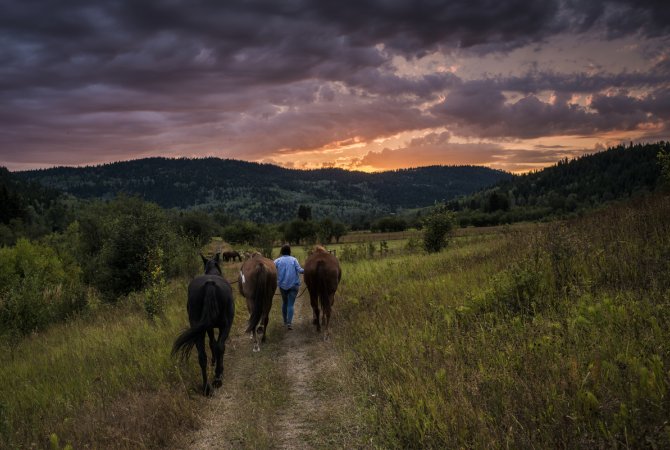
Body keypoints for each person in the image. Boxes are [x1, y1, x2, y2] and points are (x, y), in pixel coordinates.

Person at [274, 244, 304, 330]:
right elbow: (300, 270)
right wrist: (307, 270)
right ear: (289, 251)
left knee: (285, 303)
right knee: (291, 304)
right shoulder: (294, 260)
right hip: (294, 285)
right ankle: (289, 324)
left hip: (282, 286)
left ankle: (285, 322)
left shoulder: (277, 261)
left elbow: (271, 269)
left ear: (281, 251)